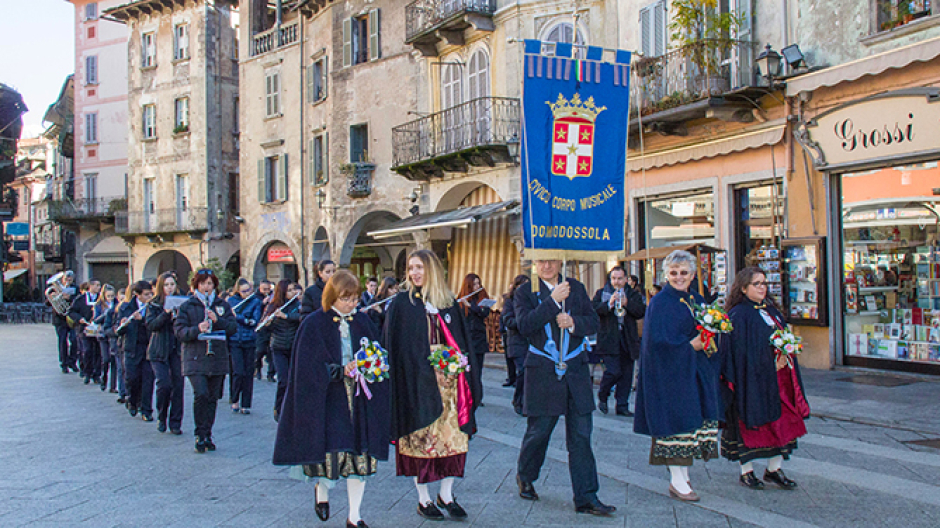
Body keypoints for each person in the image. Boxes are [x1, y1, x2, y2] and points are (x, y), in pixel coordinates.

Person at [273, 270, 390, 528]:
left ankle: (354, 515)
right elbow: (306, 367)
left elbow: (378, 352)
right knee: (329, 453)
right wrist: (338, 370)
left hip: (360, 400)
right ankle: (322, 492)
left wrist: (372, 366)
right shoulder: (314, 323)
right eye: (346, 298)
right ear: (332, 296)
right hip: (328, 400)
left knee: (360, 455)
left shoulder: (363, 321)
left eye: (355, 298)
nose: (352, 304)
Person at [513, 260, 613, 516]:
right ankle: (526, 474)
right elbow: (524, 325)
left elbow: (593, 321)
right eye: (541, 261)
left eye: (552, 260)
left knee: (581, 436)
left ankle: (586, 496)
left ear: (560, 261)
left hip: (575, 371)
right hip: (543, 370)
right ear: (534, 263)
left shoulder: (576, 288)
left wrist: (573, 322)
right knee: (539, 432)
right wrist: (553, 302)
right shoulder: (526, 291)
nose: (547, 265)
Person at [385, 249, 479, 521]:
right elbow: (397, 348)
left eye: (420, 267)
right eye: (411, 268)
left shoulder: (448, 302)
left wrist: (456, 364)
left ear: (433, 270)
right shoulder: (402, 304)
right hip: (417, 386)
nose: (414, 273)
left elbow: (462, 342)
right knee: (422, 442)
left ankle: (446, 494)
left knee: (453, 440)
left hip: (450, 388)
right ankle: (423, 499)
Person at [633, 250, 721, 502]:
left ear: (692, 275)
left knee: (692, 425)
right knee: (676, 426)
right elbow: (656, 343)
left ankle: (682, 474)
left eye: (684, 273)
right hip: (669, 375)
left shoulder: (697, 299)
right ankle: (677, 479)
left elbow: (708, 329)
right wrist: (689, 346)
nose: (679, 277)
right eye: (674, 273)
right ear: (666, 275)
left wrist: (711, 338)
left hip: (695, 372)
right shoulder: (660, 302)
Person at [720, 267, 809, 490]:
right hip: (752, 380)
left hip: (779, 379)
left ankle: (774, 469)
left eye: (764, 283)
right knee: (750, 425)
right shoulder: (738, 315)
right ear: (743, 288)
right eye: (757, 284)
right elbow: (740, 353)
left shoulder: (772, 311)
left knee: (782, 421)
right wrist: (769, 362)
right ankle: (746, 472)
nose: (762, 288)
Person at [174, 269, 238, 453]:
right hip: (195, 356)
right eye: (202, 283)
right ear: (196, 285)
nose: (206, 287)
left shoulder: (222, 305)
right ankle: (199, 434)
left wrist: (217, 320)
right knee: (200, 394)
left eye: (209, 283)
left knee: (212, 397)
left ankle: (208, 432)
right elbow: (179, 331)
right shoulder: (188, 306)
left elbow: (232, 327)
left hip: (217, 357)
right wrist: (197, 329)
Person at [593, 266, 646, 416]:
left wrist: (627, 303)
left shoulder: (632, 294)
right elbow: (594, 309)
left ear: (625, 279)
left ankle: (622, 405)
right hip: (609, 339)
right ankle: (603, 395)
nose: (617, 282)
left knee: (626, 374)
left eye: (620, 278)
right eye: (614, 278)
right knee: (613, 371)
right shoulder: (601, 293)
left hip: (627, 338)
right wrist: (609, 304)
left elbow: (641, 311)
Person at [147, 272, 185, 435]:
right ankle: (162, 416)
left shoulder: (182, 301)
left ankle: (175, 422)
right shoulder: (154, 304)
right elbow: (151, 325)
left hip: (176, 349)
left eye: (172, 284)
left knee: (178, 385)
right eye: (167, 285)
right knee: (164, 384)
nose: (170, 288)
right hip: (159, 349)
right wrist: (166, 313)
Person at [263, 280, 303, 421]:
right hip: (278, 347)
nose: (294, 293)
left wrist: (286, 316)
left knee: (295, 381)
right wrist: (268, 322)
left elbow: (302, 318)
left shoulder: (298, 305)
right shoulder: (274, 306)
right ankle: (279, 408)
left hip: (294, 347)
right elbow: (263, 326)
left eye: (295, 290)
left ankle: (292, 409)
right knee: (283, 380)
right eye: (290, 290)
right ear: (283, 292)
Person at [117, 281, 155, 421]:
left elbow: (154, 325)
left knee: (148, 379)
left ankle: (146, 410)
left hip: (148, 347)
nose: (149, 297)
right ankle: (132, 401)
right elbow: (118, 329)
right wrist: (122, 324)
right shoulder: (127, 307)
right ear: (137, 295)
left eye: (151, 293)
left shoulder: (153, 307)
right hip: (131, 348)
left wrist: (143, 320)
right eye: (146, 294)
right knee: (132, 378)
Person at [228, 278, 263, 415]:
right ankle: (235, 399)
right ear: (238, 291)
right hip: (235, 339)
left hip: (249, 340)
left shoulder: (255, 302)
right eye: (244, 291)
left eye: (249, 290)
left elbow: (254, 321)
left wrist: (239, 317)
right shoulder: (231, 302)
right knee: (238, 372)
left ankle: (246, 403)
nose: (247, 293)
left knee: (249, 372)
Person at [457, 273, 490, 404]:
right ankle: (466, 394)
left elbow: (484, 313)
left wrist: (471, 306)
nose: (477, 286)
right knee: (467, 368)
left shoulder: (482, 298)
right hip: (466, 338)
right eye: (474, 284)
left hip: (479, 338)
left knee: (478, 369)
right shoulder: (461, 298)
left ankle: (477, 396)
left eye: (478, 283)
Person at [500, 274, 530, 416]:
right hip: (516, 342)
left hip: (529, 342)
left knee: (529, 373)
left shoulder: (530, 301)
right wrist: (523, 322)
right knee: (522, 371)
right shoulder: (509, 302)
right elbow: (507, 320)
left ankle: (526, 401)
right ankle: (518, 400)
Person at [69, 279, 102, 385]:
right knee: (87, 350)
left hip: (97, 328)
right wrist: (80, 319)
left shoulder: (101, 299)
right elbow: (71, 311)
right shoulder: (81, 299)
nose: (98, 287)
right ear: (90, 286)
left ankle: (97, 374)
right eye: (97, 285)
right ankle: (87, 372)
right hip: (84, 328)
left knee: (98, 351)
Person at [107, 286, 132, 404]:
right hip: (119, 343)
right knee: (121, 368)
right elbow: (109, 328)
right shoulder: (113, 311)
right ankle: (123, 393)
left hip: (130, 343)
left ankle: (127, 393)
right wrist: (118, 328)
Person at [50, 271, 77, 373]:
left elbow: (79, 300)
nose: (68, 280)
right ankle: (64, 364)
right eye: (66, 278)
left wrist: (69, 298)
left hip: (71, 318)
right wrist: (54, 297)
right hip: (59, 319)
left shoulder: (75, 288)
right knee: (62, 342)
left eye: (70, 278)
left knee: (74, 340)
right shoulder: (55, 289)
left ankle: (72, 361)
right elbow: (48, 303)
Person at [94, 285, 118, 393]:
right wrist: (105, 314)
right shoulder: (99, 305)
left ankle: (113, 386)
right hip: (103, 335)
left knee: (113, 360)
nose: (110, 298)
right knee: (106, 359)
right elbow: (96, 320)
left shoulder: (117, 304)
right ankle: (103, 378)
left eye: (112, 296)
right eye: (108, 296)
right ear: (103, 296)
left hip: (112, 334)